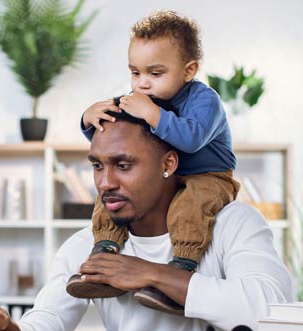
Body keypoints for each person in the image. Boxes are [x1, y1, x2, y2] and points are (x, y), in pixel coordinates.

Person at [0, 110, 292, 331]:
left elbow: (273, 310)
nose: (105, 183)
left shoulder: (233, 223)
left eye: (123, 166)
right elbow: (49, 322)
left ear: (168, 163)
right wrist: (5, 328)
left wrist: (151, 273)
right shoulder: (87, 243)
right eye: (98, 166)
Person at [68, 10, 239, 315]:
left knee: (192, 207)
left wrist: (150, 113)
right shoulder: (147, 99)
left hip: (207, 173)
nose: (142, 84)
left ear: (189, 71)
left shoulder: (205, 101)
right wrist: (89, 118)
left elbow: (191, 140)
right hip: (166, 175)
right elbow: (116, 138)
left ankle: (180, 271)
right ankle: (105, 252)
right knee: (109, 196)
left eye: (155, 73)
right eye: (135, 73)